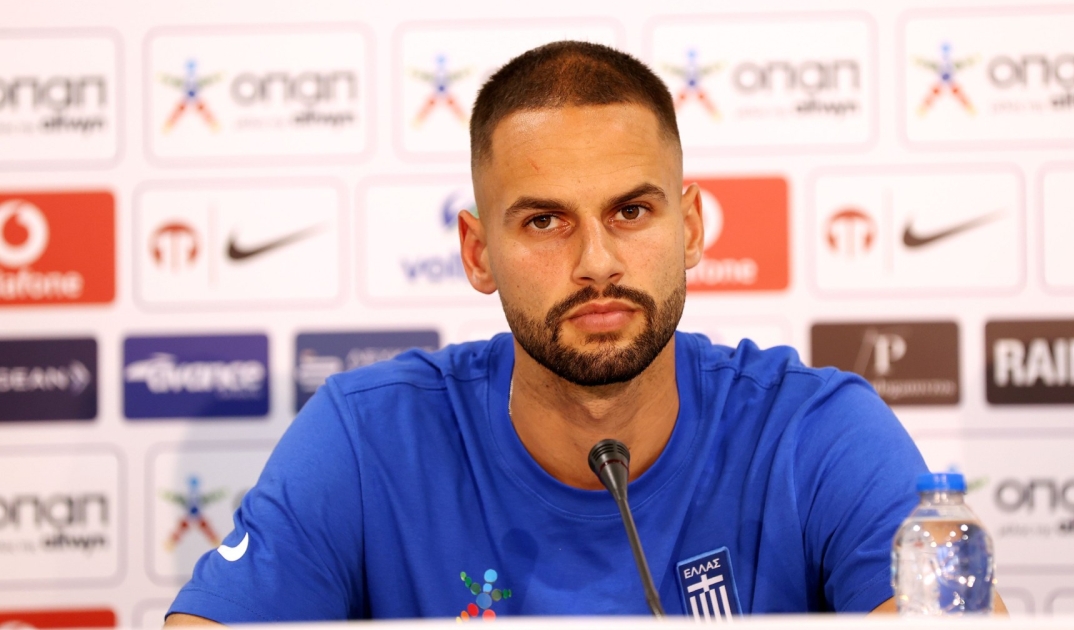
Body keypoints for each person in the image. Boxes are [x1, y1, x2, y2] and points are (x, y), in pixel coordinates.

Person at [165, 41, 935, 625]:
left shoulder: (816, 432)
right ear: (478, 254)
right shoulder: (366, 439)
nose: (597, 263)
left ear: (692, 228)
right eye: (545, 221)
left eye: (631, 212)